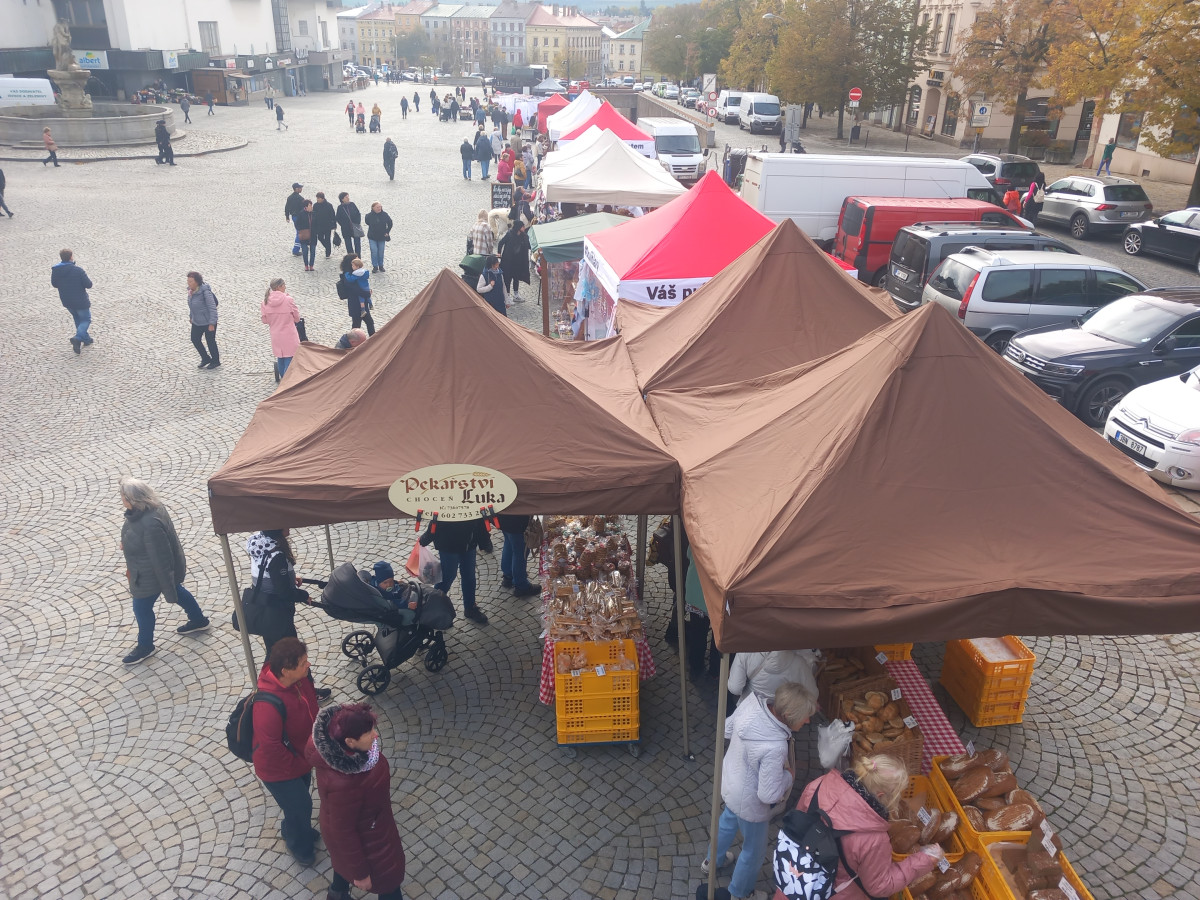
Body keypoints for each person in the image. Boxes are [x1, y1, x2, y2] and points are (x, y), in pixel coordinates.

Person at [702, 682, 816, 900]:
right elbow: (768, 794)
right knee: (753, 851)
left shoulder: (751, 704)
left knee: (726, 823)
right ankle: (740, 892)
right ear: (789, 716)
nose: (808, 721)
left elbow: (727, 729)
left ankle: (711, 861)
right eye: (805, 717)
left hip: (731, 781)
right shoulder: (775, 746)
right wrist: (789, 776)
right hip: (750, 804)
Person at [777, 756, 943, 900]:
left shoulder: (819, 785)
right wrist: (924, 860)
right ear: (881, 796)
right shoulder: (874, 839)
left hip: (794, 879)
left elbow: (799, 824)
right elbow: (879, 886)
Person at [308, 703, 408, 900]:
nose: (375, 735)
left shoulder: (340, 752)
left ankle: (337, 894)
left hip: (371, 825)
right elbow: (342, 831)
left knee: (342, 865)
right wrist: (360, 873)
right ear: (350, 742)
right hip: (371, 838)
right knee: (390, 883)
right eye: (368, 733)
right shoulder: (345, 783)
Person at [117, 476, 210, 666]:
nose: (121, 499)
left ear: (133, 499)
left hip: (150, 575)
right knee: (178, 590)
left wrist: (168, 588)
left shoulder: (150, 523)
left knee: (141, 608)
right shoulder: (149, 510)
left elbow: (161, 558)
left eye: (123, 496)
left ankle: (145, 646)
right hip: (148, 571)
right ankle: (198, 620)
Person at [253, 637, 320, 866]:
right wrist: (301, 763)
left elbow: (312, 708)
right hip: (278, 769)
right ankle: (299, 845)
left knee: (299, 803)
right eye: (302, 663)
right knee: (301, 805)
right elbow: (271, 748)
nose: (308, 665)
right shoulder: (267, 705)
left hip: (300, 756)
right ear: (285, 671)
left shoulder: (300, 680)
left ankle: (296, 828)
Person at [419, 515, 491, 625]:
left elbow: (478, 516)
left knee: (469, 576)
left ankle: (470, 608)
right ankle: (433, 609)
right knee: (447, 577)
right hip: (448, 545)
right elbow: (439, 515)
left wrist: (484, 540)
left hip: (469, 542)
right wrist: (426, 537)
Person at [728, 649, 819, 705]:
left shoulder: (745, 652)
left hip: (748, 710)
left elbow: (735, 688)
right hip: (780, 718)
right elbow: (812, 695)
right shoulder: (800, 663)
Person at [51, 248, 93, 353]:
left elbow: (54, 284)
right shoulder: (78, 270)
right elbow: (88, 284)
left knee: (77, 318)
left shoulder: (56, 270)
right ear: (71, 257)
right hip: (80, 300)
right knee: (86, 320)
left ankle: (86, 339)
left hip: (67, 300)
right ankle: (78, 338)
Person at [262, 278, 301, 378]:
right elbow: (297, 317)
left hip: (275, 334)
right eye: (284, 285)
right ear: (279, 287)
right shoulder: (288, 300)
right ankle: (286, 379)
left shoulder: (265, 301)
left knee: (281, 356)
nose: (285, 287)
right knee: (290, 356)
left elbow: (265, 320)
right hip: (289, 333)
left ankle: (282, 376)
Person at [497, 515, 540, 597]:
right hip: (517, 520)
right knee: (520, 550)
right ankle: (521, 585)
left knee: (509, 542)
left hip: (503, 517)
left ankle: (508, 576)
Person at [186, 271, 220, 369]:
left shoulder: (205, 292)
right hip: (197, 321)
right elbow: (192, 305)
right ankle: (205, 358)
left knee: (210, 341)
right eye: (188, 281)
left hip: (208, 321)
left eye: (191, 281)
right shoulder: (191, 292)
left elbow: (212, 307)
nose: (189, 283)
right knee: (195, 339)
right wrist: (191, 316)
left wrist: (212, 323)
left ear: (197, 282)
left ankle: (215, 361)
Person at [340, 255, 375, 334]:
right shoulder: (348, 275)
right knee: (358, 324)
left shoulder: (353, 273)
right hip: (356, 303)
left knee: (365, 322)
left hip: (359, 303)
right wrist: (367, 293)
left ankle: (372, 338)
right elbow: (355, 290)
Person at [497, 220, 530, 301]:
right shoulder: (509, 234)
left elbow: (527, 245)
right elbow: (501, 243)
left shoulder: (523, 236)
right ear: (519, 227)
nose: (524, 228)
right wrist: (499, 253)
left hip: (518, 262)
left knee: (516, 277)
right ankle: (507, 296)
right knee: (507, 278)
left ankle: (516, 295)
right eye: (522, 226)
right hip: (508, 261)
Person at [364, 202, 393, 273]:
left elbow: (390, 223)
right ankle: (375, 266)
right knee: (374, 251)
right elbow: (367, 222)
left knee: (380, 252)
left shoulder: (384, 215)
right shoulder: (369, 216)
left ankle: (381, 265)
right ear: (373, 208)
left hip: (381, 237)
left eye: (380, 207)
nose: (379, 208)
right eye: (377, 207)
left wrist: (387, 231)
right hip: (372, 237)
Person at [336, 192, 363, 258]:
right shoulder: (340, 207)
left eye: (348, 196)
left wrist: (357, 222)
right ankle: (351, 258)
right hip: (346, 229)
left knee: (357, 244)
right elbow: (338, 218)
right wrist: (343, 224)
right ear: (342, 199)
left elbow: (358, 214)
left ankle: (358, 257)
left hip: (355, 227)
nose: (348, 198)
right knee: (348, 245)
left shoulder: (352, 204)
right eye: (346, 197)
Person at [312, 192, 337, 259]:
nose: (317, 199)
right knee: (320, 237)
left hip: (327, 225)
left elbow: (332, 215)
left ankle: (328, 253)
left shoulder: (329, 205)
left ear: (322, 198)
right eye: (317, 198)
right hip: (319, 225)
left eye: (319, 198)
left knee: (327, 239)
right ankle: (327, 247)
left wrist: (334, 224)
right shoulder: (315, 205)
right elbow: (313, 215)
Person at [294, 199, 317, 271]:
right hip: (304, 235)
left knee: (313, 251)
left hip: (313, 235)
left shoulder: (314, 213)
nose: (311, 207)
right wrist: (301, 231)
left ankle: (311, 265)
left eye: (311, 205)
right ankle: (306, 265)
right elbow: (297, 224)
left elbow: (318, 223)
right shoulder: (301, 214)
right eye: (310, 205)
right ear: (306, 207)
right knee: (305, 251)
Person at [285, 183, 306, 256]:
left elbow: (287, 208)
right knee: (300, 232)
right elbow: (304, 209)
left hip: (294, 217)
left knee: (299, 232)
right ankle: (296, 250)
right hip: (300, 217)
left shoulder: (289, 198)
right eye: (300, 188)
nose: (301, 189)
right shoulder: (301, 199)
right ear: (297, 189)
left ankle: (302, 246)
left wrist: (287, 217)